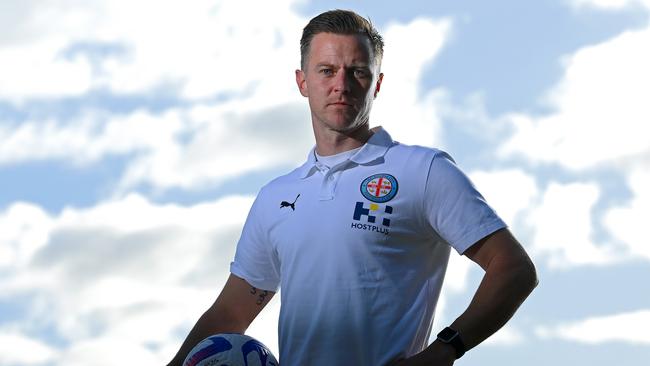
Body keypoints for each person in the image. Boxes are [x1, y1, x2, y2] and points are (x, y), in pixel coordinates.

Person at [168, 9, 538, 366]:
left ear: (376, 83)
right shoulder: (275, 197)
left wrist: (444, 351)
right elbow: (231, 312)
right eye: (326, 71)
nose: (340, 85)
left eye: (357, 72)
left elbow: (514, 269)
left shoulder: (422, 171)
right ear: (302, 81)